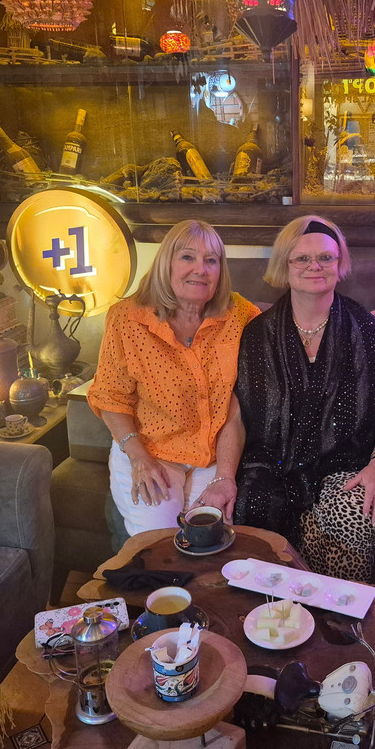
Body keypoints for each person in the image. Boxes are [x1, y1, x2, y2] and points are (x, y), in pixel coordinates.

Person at [219, 216, 375, 582]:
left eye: (325, 258)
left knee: (354, 513)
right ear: (284, 265)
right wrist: (224, 477)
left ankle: (340, 609)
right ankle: (272, 607)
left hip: (349, 463)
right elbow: (237, 416)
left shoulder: (363, 329)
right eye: (302, 259)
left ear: (339, 264)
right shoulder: (258, 335)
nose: (314, 266)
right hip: (273, 463)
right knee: (253, 505)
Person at [87, 220, 258, 537]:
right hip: (149, 452)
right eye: (187, 257)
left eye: (211, 260)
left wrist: (224, 476)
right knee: (162, 543)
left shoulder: (240, 315)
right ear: (166, 263)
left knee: (209, 540)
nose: (200, 269)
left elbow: (239, 407)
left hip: (213, 457)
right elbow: (110, 397)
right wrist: (139, 459)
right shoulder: (127, 318)